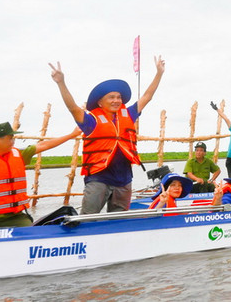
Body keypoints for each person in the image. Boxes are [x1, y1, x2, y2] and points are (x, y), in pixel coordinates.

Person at [49, 56, 165, 214]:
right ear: (100, 102)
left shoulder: (129, 114)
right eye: (111, 97)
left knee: (119, 221)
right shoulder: (91, 121)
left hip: (124, 179)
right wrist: (61, 83)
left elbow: (147, 96)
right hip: (98, 178)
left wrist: (159, 73)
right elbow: (72, 107)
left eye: (118, 97)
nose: (116, 100)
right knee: (88, 218)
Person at [0, 122, 80, 227]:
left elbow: (44, 145)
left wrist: (72, 135)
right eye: (10, 138)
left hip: (16, 217)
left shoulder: (18, 154)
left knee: (31, 234)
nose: (13, 141)